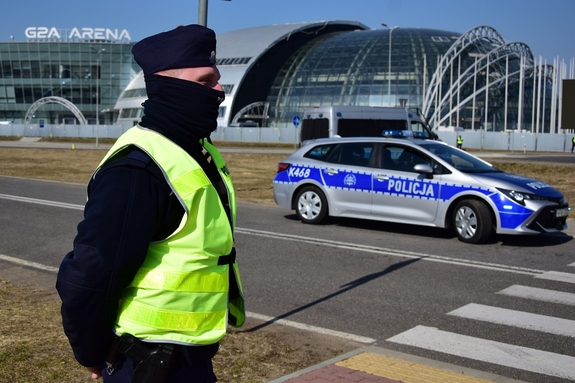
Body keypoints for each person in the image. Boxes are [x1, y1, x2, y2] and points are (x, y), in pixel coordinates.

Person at [56, 24, 245, 383]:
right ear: (169, 85)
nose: (219, 91)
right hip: (146, 364)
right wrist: (91, 353)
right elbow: (90, 275)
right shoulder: (137, 169)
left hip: (189, 357)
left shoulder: (196, 154)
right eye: (206, 81)